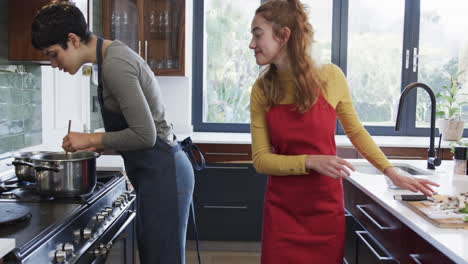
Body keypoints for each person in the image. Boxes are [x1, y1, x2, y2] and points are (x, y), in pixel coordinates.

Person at [248, 0, 439, 263]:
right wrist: (311, 161)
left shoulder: (330, 77)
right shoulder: (261, 90)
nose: (251, 44)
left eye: (258, 34)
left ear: (283, 36)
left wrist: (391, 171)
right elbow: (261, 160)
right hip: (282, 215)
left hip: (324, 214)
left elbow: (356, 132)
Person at [31, 2, 194, 264]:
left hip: (165, 173)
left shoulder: (114, 64)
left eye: (53, 54)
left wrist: (92, 138)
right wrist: (101, 145)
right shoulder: (108, 59)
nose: (53, 64)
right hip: (157, 173)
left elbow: (144, 135)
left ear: (72, 40)